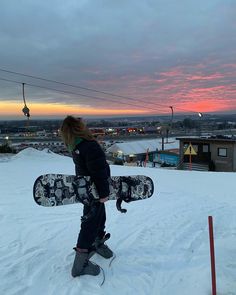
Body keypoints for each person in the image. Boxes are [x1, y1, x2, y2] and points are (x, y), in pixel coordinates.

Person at [60, 115, 113, 277]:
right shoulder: (89, 146)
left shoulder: (76, 146)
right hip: (95, 191)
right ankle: (80, 265)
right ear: (79, 128)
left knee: (99, 218)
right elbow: (98, 172)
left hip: (87, 192)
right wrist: (104, 193)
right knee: (90, 223)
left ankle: (97, 243)